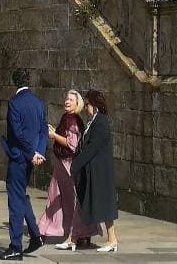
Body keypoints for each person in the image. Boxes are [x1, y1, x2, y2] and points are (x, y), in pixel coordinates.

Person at [0, 68, 48, 261]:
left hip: (19, 157)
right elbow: (43, 130)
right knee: (20, 195)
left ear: (14, 82)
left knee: (15, 200)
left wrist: (32, 153)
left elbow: (17, 134)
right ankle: (35, 236)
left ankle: (15, 246)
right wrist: (39, 152)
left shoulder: (15, 103)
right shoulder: (39, 103)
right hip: (32, 157)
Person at [39, 90, 98, 247]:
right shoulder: (68, 118)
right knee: (60, 197)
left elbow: (72, 144)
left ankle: (48, 230)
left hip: (68, 165)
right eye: (67, 98)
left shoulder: (73, 121)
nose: (67, 101)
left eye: (71, 99)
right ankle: (79, 233)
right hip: (62, 163)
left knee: (67, 198)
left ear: (77, 104)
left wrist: (54, 136)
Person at [69, 89, 118, 253]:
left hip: (100, 171)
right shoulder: (95, 121)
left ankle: (112, 240)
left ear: (94, 104)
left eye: (87, 104)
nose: (86, 108)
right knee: (101, 205)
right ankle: (108, 239)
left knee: (105, 205)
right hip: (94, 170)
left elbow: (92, 148)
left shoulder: (101, 122)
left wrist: (75, 165)